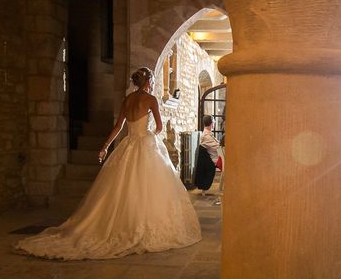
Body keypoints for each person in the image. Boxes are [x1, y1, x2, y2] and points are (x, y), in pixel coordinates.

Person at [16, 67, 202, 259]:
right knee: (145, 187)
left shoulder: (127, 100)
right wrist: (149, 137)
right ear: (148, 82)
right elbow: (160, 127)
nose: (153, 85)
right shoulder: (151, 100)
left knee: (120, 186)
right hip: (144, 144)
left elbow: (118, 127)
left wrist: (105, 147)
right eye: (153, 81)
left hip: (127, 145)